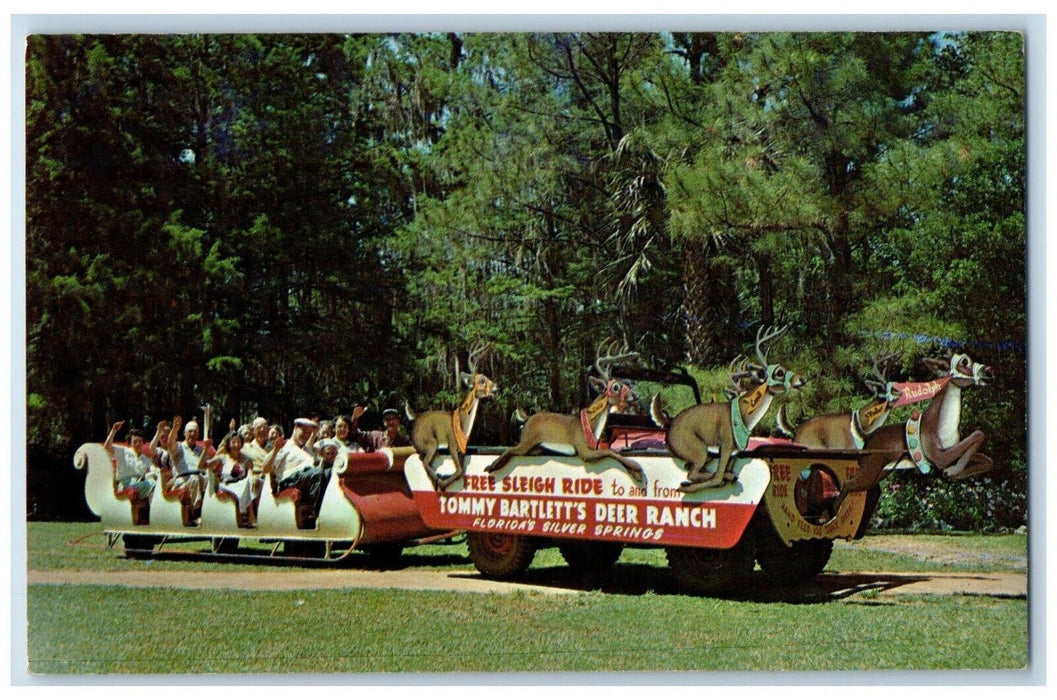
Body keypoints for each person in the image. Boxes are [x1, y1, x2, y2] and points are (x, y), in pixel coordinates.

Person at [262, 418, 328, 524]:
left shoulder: (306, 450)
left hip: (306, 479)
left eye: (309, 433)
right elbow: (265, 469)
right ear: (296, 428)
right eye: (304, 432)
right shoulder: (285, 446)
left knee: (328, 472)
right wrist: (275, 450)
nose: (306, 436)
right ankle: (316, 512)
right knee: (318, 473)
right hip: (289, 481)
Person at [202, 429, 260, 528]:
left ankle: (250, 515)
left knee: (250, 482)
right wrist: (205, 450)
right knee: (246, 485)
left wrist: (253, 477)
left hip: (241, 485)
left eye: (238, 442)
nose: (236, 445)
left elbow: (250, 472)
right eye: (233, 442)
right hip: (226, 485)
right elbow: (202, 465)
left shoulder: (247, 459)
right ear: (229, 444)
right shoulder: (222, 458)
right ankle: (249, 515)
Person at [103, 421, 159, 501]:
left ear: (143, 442)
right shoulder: (123, 451)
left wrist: (158, 472)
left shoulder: (145, 458)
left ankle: (152, 510)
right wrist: (113, 430)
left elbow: (152, 468)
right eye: (135, 441)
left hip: (140, 486)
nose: (138, 444)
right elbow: (107, 447)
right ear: (130, 443)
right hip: (125, 486)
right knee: (153, 484)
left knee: (157, 486)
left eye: (140, 441)